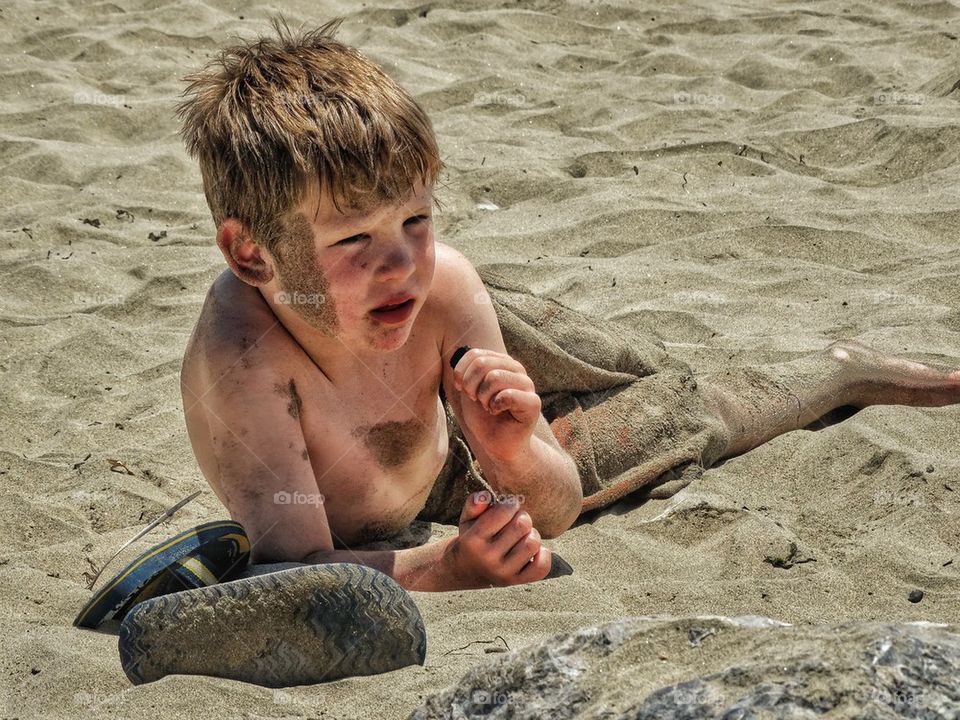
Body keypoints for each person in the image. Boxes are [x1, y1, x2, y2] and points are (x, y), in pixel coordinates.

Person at [177, 17, 960, 592]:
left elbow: (544, 496)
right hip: (439, 481)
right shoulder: (244, 365)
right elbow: (295, 569)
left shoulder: (437, 284)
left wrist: (515, 449)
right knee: (682, 412)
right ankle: (841, 370)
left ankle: (846, 369)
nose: (402, 264)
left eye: (415, 220)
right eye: (354, 239)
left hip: (451, 357)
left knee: (640, 369)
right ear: (251, 254)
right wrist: (448, 564)